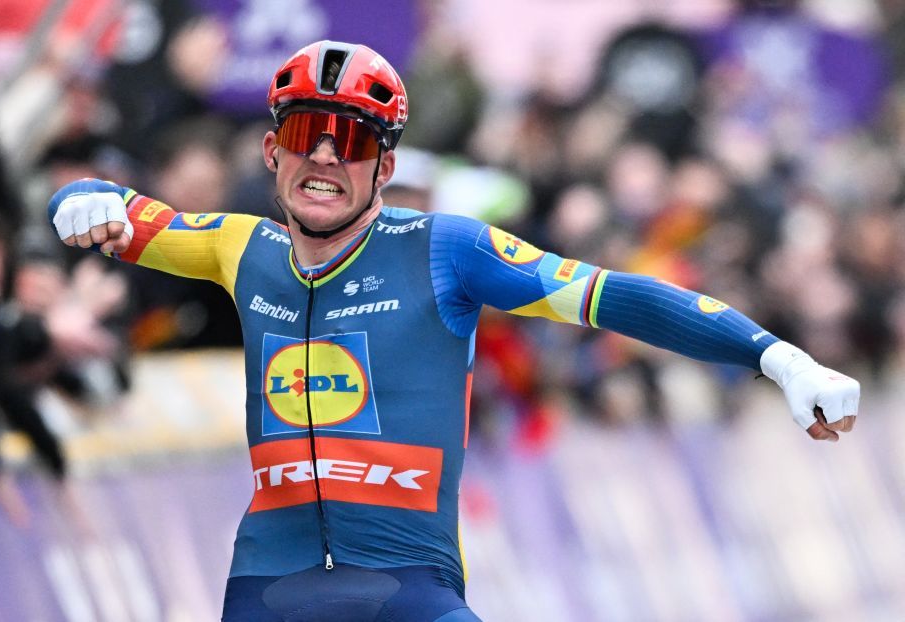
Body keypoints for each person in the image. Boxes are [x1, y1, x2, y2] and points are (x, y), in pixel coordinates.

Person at [46, 40, 861, 622]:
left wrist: (775, 357)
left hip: (411, 593)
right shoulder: (237, 247)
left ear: (385, 169)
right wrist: (79, 195)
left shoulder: (448, 249)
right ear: (269, 151)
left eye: (354, 139)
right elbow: (116, 205)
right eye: (304, 134)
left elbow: (614, 296)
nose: (325, 156)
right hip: (270, 590)